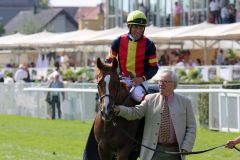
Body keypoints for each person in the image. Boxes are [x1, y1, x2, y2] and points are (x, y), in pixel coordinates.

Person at [114, 70, 197, 160]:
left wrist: (186, 146)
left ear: (174, 84)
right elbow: (135, 113)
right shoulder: (149, 99)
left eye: (165, 81)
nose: (161, 84)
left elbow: (191, 126)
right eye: (160, 81)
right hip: (152, 152)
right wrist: (120, 109)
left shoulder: (185, 102)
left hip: (176, 152)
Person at [106, 10, 158, 102]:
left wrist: (142, 79)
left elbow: (154, 68)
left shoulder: (149, 45)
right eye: (136, 27)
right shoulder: (118, 41)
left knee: (140, 97)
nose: (138, 31)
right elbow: (109, 61)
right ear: (129, 26)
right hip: (122, 79)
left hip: (140, 81)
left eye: (141, 28)